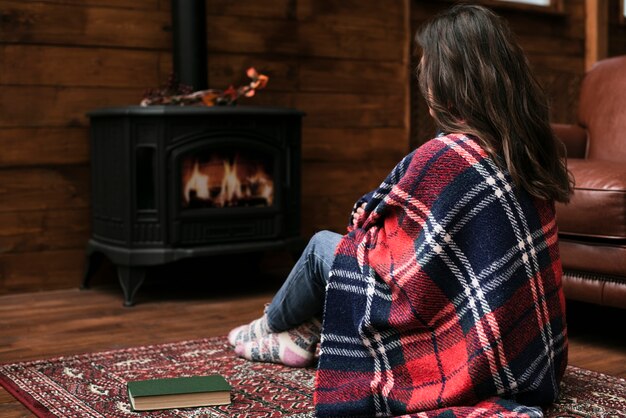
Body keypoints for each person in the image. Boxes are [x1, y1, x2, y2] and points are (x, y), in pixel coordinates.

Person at [228, 4, 572, 417]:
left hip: (455, 338)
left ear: (447, 83)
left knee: (325, 246)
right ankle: (301, 332)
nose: (423, 82)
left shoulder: (446, 154)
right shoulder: (528, 149)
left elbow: (378, 239)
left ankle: (270, 326)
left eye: (426, 71)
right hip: (527, 353)